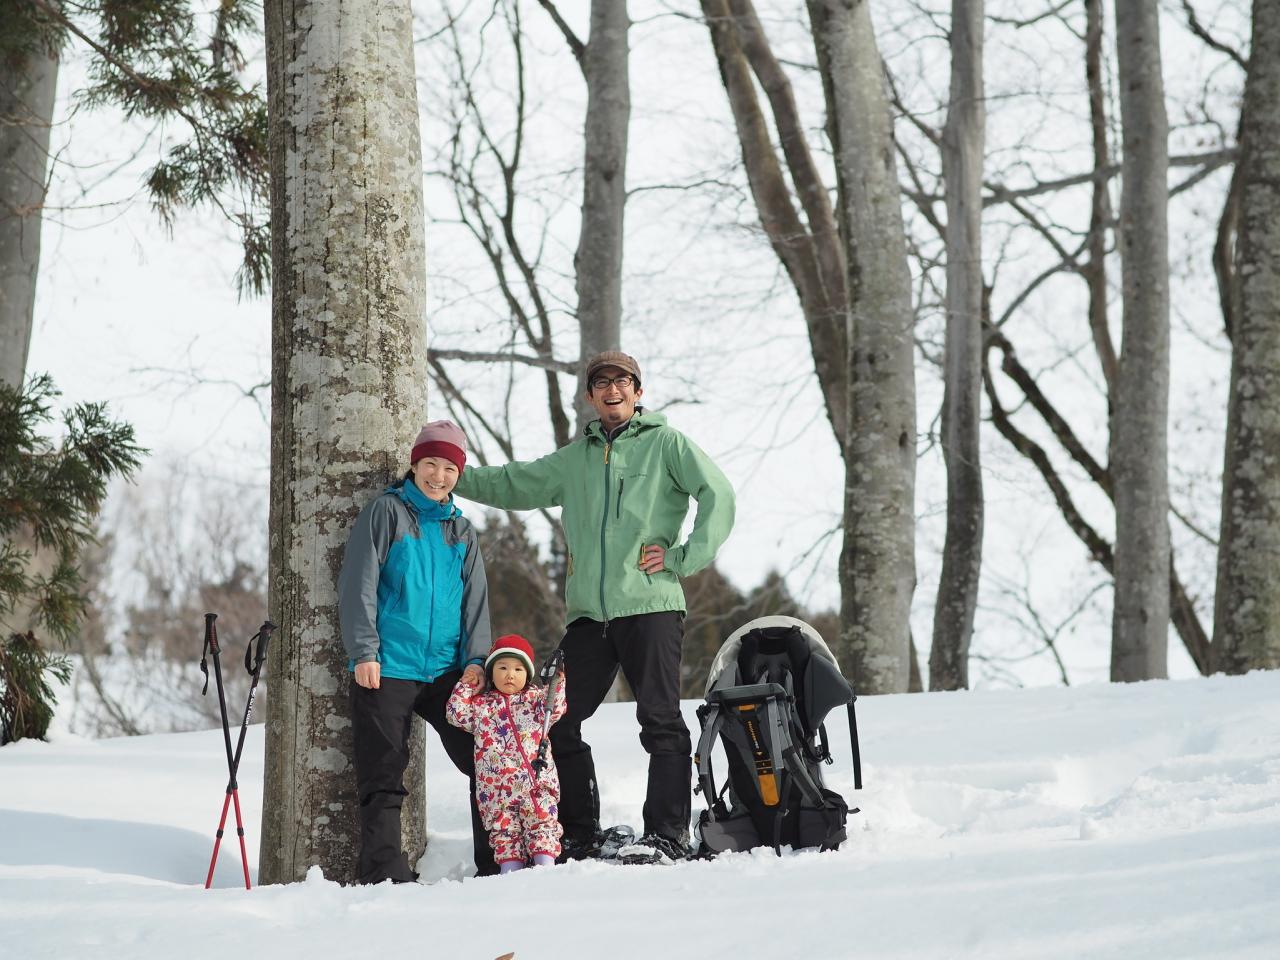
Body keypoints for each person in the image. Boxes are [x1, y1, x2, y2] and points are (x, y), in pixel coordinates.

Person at [453, 351, 736, 863]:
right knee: (553, 717)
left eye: (622, 382)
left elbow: (718, 494)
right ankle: (575, 833)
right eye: (601, 383)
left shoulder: (665, 444)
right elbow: (513, 482)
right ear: (589, 395)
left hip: (650, 606)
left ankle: (667, 834)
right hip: (588, 617)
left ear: (637, 391)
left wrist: (683, 557)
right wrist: (456, 475)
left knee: (660, 719)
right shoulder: (575, 459)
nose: (612, 391)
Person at [337, 420, 496, 883]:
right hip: (387, 666)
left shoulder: (461, 531)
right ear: (415, 463)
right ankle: (384, 872)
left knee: (486, 757)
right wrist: (364, 651)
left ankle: (497, 860)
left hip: (447, 671)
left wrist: (474, 662)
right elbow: (358, 583)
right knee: (382, 769)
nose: (439, 475)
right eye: (431, 464)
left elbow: (476, 602)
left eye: (449, 467)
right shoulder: (386, 512)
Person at [446, 634, 567, 874]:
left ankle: (546, 868)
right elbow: (455, 713)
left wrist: (557, 684)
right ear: (491, 673)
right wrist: (467, 685)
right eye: (502, 667)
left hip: (536, 783)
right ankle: (510, 872)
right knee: (505, 834)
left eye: (518, 669)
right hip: (497, 791)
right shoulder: (481, 706)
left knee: (542, 825)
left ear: (527, 674)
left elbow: (556, 708)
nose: (510, 674)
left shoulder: (535, 701)